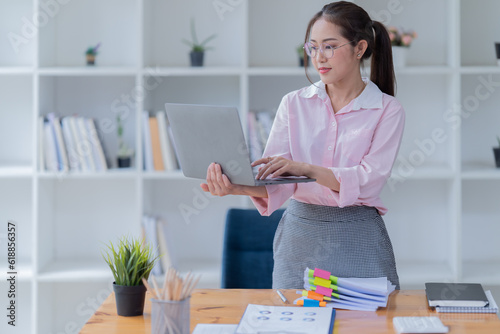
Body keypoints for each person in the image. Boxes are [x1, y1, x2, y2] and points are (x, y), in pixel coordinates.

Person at [201, 1, 405, 289]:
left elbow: (369, 181)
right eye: (313, 47)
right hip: (300, 242)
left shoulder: (387, 110)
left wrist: (307, 169)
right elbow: (279, 180)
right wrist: (236, 187)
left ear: (360, 48)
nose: (319, 57)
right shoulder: (293, 103)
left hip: (359, 237)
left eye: (330, 46)